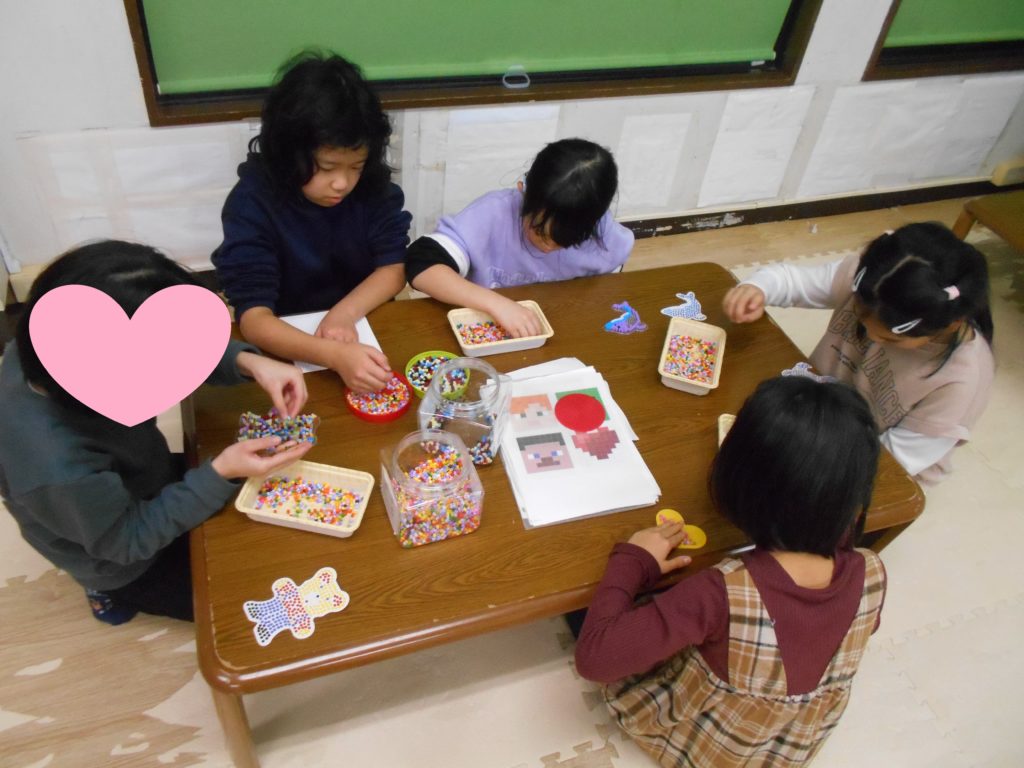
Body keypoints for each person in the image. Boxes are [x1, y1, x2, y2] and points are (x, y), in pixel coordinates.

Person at [575, 376, 886, 768]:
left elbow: (595, 660)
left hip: (707, 745)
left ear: (738, 482)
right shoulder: (872, 570)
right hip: (781, 749)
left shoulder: (716, 593)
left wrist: (634, 559)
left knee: (588, 618)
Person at [0, 241, 314, 624]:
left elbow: (176, 346)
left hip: (139, 476)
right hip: (121, 557)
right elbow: (126, 541)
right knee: (234, 603)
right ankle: (106, 592)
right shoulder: (58, 468)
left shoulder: (46, 345)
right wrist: (221, 472)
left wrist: (246, 361)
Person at [722, 222, 994, 483]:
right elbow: (791, 280)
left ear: (951, 324)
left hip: (870, 465)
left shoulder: (960, 381)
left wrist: (807, 456)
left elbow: (894, 461)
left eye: (890, 339)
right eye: (862, 321)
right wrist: (758, 289)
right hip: (817, 413)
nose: (872, 338)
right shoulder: (872, 282)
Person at [213, 51, 412, 393]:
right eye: (327, 167)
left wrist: (344, 314)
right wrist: (333, 355)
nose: (342, 183)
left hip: (365, 319)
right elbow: (255, 320)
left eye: (356, 166)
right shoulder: (251, 204)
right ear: (288, 153)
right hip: (289, 339)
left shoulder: (372, 188)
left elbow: (393, 268)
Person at [405, 138, 634, 338]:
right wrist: (496, 304)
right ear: (523, 193)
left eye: (566, 240)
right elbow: (421, 265)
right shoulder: (492, 214)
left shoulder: (601, 231)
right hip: (488, 328)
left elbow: (608, 283)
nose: (548, 246)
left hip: (559, 329)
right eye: (540, 232)